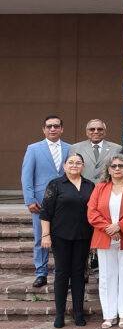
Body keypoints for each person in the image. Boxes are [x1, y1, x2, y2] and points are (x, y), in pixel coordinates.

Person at [40, 153, 95, 327]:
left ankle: (79, 313)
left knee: (79, 274)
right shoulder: (55, 184)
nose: (74, 165)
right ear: (64, 166)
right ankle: (60, 315)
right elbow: (45, 212)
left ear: (83, 166)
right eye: (70, 162)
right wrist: (45, 235)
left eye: (78, 162)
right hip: (60, 236)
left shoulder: (90, 185)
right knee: (62, 273)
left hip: (83, 236)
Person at [86, 155, 123, 328]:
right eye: (113, 166)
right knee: (107, 277)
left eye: (121, 165)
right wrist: (108, 228)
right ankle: (109, 315)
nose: (117, 169)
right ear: (108, 170)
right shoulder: (100, 187)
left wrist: (120, 226)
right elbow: (92, 212)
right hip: (104, 237)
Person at [21, 115, 73, 288]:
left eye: (56, 126)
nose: (53, 129)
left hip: (66, 202)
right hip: (41, 202)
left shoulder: (70, 148)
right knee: (40, 237)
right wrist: (29, 200)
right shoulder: (34, 149)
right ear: (43, 129)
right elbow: (26, 176)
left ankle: (64, 272)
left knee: (65, 238)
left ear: (61, 129)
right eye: (49, 126)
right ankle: (41, 273)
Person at [71, 118, 122, 183]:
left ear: (105, 131)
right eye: (92, 129)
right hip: (82, 188)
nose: (96, 132)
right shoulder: (75, 148)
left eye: (100, 129)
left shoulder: (117, 148)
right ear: (87, 132)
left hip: (107, 187)